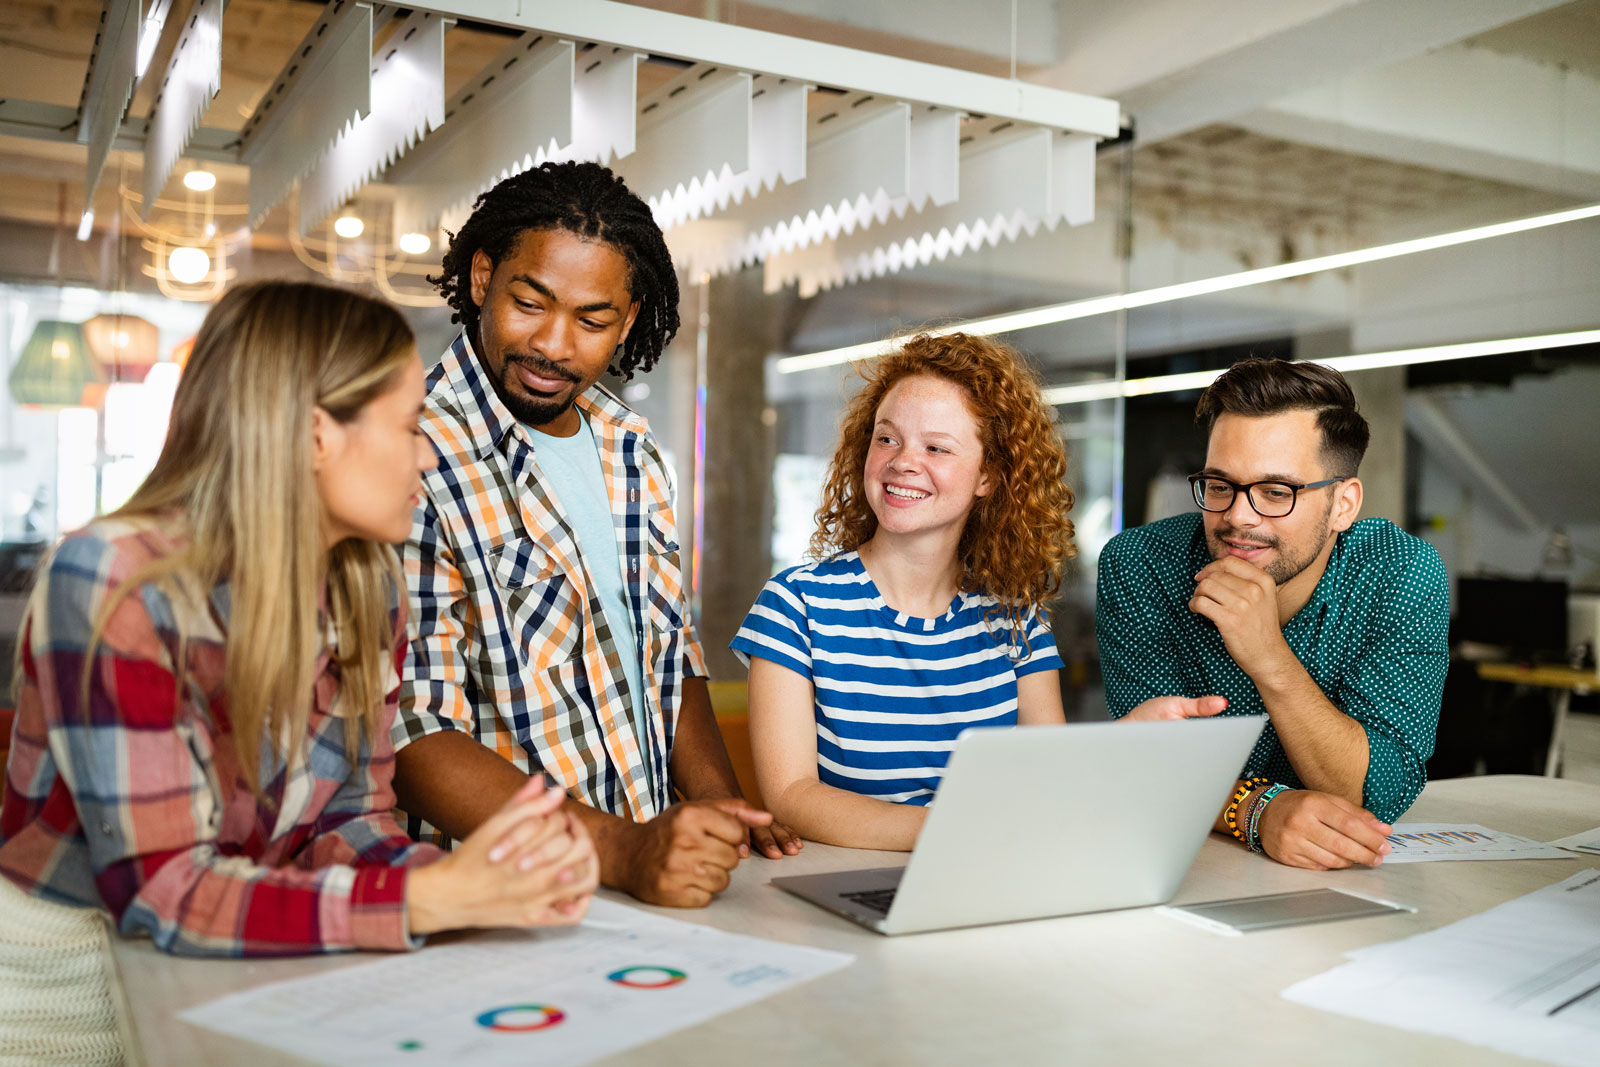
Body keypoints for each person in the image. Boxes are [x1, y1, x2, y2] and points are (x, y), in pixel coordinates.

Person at [0, 281, 597, 1062]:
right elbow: (161, 890)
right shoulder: (112, 580)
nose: (429, 453)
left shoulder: (365, 584)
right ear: (317, 435)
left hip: (247, 958)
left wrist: (484, 883)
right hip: (63, 994)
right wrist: (427, 896)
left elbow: (347, 821)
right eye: (413, 424)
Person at [392, 160, 798, 910]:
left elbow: (666, 654)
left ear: (630, 318)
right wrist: (618, 849)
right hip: (500, 894)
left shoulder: (628, 448)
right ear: (482, 278)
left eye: (592, 319)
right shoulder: (409, 451)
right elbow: (413, 733)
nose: (552, 344)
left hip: (648, 878)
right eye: (530, 302)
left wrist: (719, 810)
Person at [1096, 357, 1449, 870]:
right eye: (1219, 486)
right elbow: (1149, 762)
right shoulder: (1141, 564)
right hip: (1183, 864)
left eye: (1275, 492)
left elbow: (1378, 793)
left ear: (1344, 504)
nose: (1237, 517)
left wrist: (1268, 654)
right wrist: (1256, 810)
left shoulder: (1400, 571)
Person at [731, 333, 1077, 850]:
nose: (902, 461)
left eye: (936, 447)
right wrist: (955, 832)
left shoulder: (1017, 621)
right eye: (887, 438)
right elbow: (792, 796)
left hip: (988, 878)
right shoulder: (796, 605)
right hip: (846, 891)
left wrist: (1125, 745)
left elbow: (1050, 779)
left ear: (987, 476)